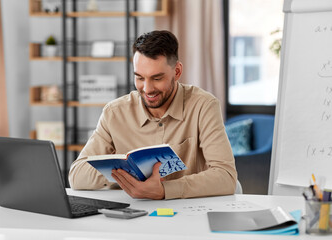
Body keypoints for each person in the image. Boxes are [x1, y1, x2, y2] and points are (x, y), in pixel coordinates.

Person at [69, 30, 237, 200]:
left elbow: (226, 177)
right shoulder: (114, 113)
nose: (147, 89)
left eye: (157, 78)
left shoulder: (203, 106)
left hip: (187, 213)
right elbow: (77, 176)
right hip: (133, 214)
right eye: (140, 78)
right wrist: (125, 173)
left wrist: (165, 190)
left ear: (177, 71)